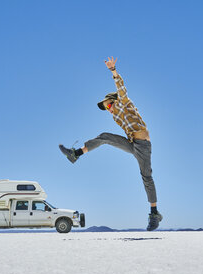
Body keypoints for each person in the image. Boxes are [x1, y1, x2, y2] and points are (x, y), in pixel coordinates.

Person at [59, 56, 163, 231]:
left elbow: (121, 88)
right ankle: (75, 154)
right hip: (132, 144)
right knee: (105, 136)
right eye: (106, 108)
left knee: (146, 177)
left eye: (108, 106)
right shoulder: (116, 117)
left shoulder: (123, 102)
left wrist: (112, 70)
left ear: (113, 101)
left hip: (143, 145)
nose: (108, 110)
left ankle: (154, 213)